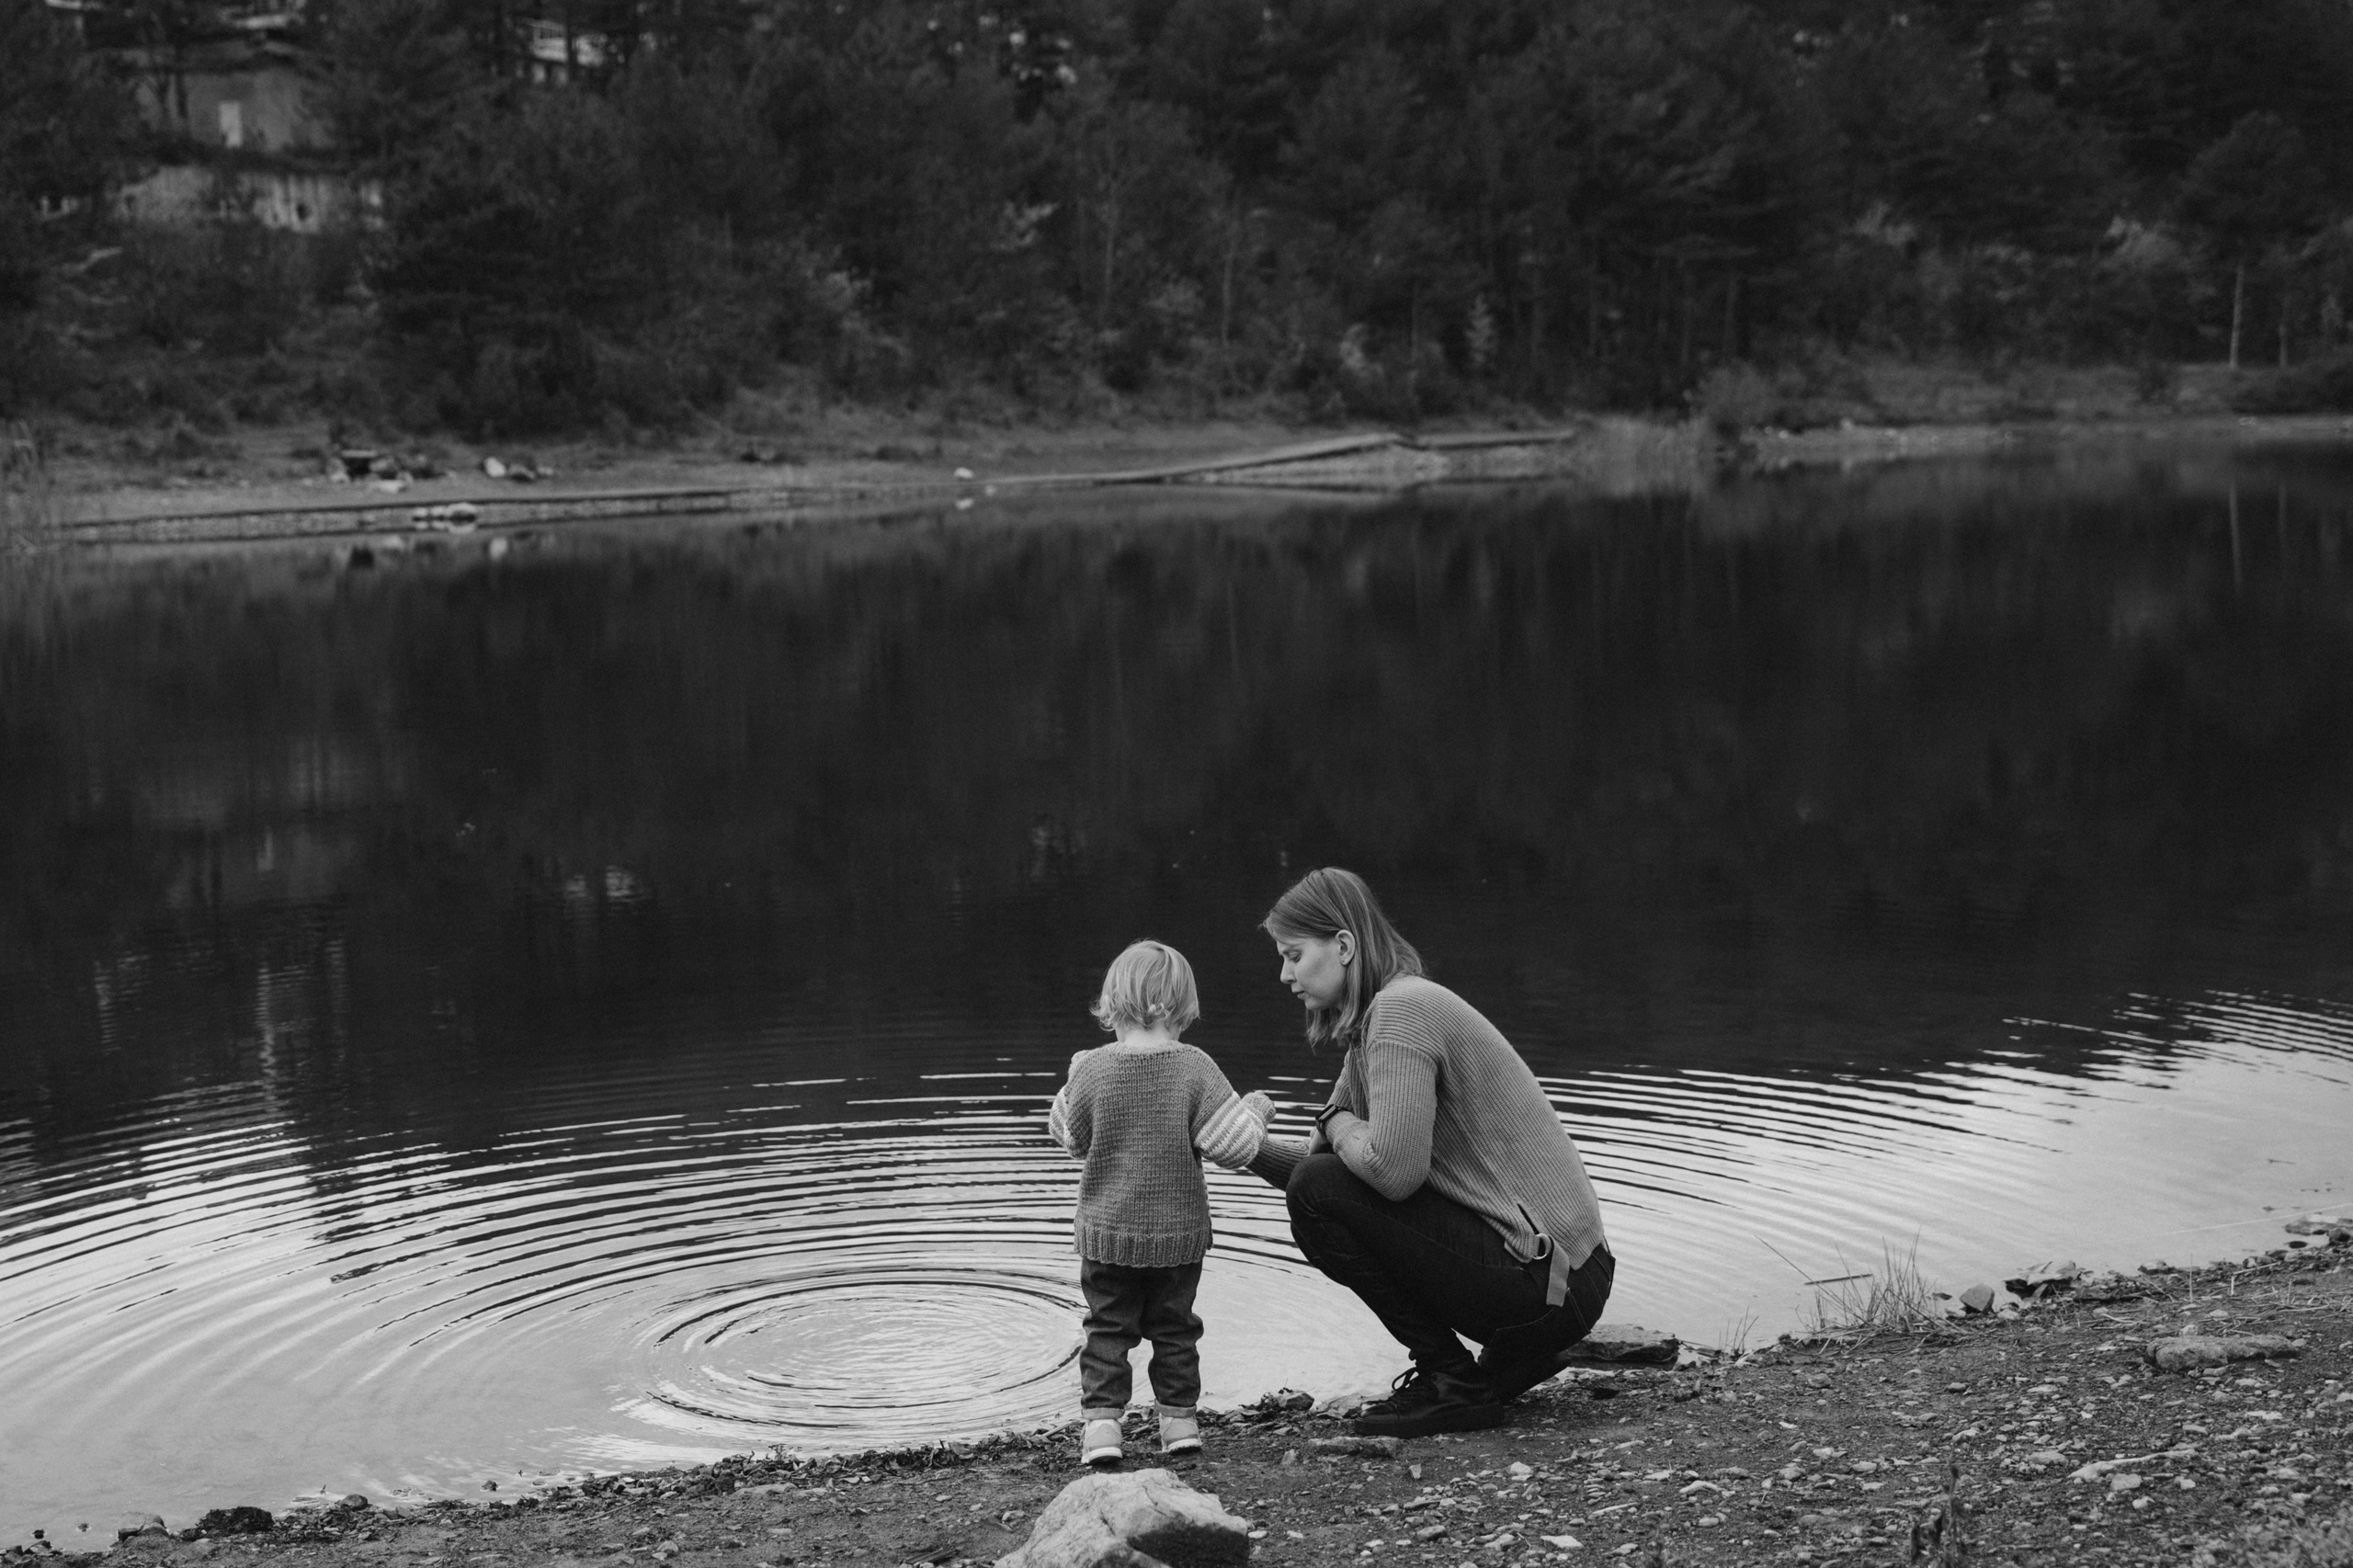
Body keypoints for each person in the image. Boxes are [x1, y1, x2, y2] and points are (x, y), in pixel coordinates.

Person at [1249, 869, 1614, 1438]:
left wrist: (1338, 1121)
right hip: (1567, 1278)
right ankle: (1496, 1369)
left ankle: (1453, 1382)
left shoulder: (1401, 1014)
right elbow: (1339, 1173)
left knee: (1316, 1193)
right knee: (1318, 1188)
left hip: (1551, 1281)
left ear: (1343, 946)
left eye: (1294, 955)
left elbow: (1388, 1176)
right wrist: (1245, 1149)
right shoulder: (1380, 1021)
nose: (1284, 974)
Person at [1048, 939, 1276, 1466]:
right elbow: (1234, 1147)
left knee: (1107, 1329)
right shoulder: (1194, 1066)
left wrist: (1072, 1079)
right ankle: (1178, 1425)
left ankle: (1102, 1430)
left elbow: (1069, 1137)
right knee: (1175, 1330)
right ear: (1180, 1007)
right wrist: (1257, 1109)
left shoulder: (1094, 1068)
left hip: (1106, 1237)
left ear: (1114, 1003)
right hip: (1178, 1239)